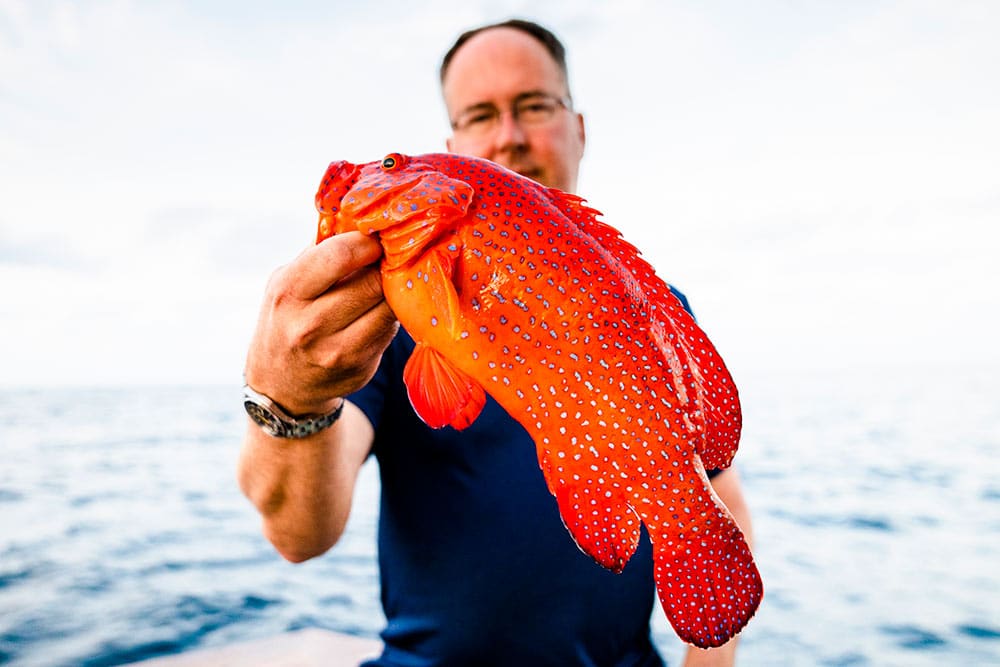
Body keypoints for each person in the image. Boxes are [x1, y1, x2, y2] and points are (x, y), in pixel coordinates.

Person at [239, 19, 754, 667]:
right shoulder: (383, 325)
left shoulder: (656, 309)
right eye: (480, 114)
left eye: (535, 105)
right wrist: (287, 396)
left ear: (580, 128)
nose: (509, 135)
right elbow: (298, 534)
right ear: (453, 144)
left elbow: (719, 502)